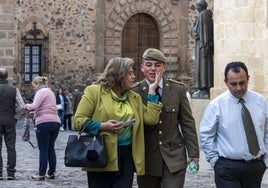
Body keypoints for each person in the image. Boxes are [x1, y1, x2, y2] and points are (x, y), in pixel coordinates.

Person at [73, 57, 163, 188]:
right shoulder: (94, 92)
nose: (133, 77)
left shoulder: (134, 97)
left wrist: (152, 91)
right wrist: (103, 126)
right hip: (101, 154)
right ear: (118, 74)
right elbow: (78, 121)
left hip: (126, 156)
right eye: (129, 73)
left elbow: (151, 119)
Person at [132, 48, 200, 188]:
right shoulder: (135, 92)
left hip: (174, 156)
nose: (153, 69)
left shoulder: (178, 90)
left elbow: (187, 123)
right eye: (149, 64)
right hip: (147, 159)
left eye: (157, 65)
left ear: (164, 67)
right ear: (142, 67)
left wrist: (193, 153)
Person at [199, 62, 268, 188]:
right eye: (233, 84)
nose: (238, 88)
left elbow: (267, 132)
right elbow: (206, 135)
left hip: (255, 167)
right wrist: (216, 162)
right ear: (226, 82)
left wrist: (265, 161)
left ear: (248, 79)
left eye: (242, 83)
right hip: (227, 168)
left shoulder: (261, 102)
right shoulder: (216, 105)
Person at [25, 76, 61, 181]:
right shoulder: (50, 91)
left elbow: (34, 105)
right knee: (51, 148)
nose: (34, 88)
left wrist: (26, 105)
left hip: (44, 123)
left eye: (34, 86)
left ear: (37, 84)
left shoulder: (41, 91)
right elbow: (47, 108)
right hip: (55, 122)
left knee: (43, 149)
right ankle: (52, 173)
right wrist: (35, 114)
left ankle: (41, 174)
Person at [0, 68, 25, 180]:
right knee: (11, 147)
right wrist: (16, 118)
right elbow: (22, 106)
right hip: (10, 120)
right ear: (7, 77)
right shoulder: (13, 89)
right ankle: (11, 173)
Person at [190, 0, 214, 99]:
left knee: (202, 67)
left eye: (198, 6)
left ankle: (203, 90)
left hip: (202, 47)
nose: (196, 8)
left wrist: (192, 26)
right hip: (204, 46)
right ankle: (203, 89)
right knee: (205, 67)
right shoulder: (207, 15)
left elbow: (197, 33)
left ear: (201, 6)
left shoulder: (202, 15)